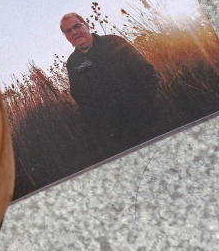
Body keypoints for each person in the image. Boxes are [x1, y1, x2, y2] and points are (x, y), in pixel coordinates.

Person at [60, 12, 161, 157]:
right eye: (68, 31)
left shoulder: (114, 42)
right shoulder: (72, 63)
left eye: (77, 26)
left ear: (86, 25)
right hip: (114, 137)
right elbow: (81, 100)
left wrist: (146, 107)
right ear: (67, 37)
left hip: (146, 120)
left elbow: (147, 73)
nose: (74, 32)